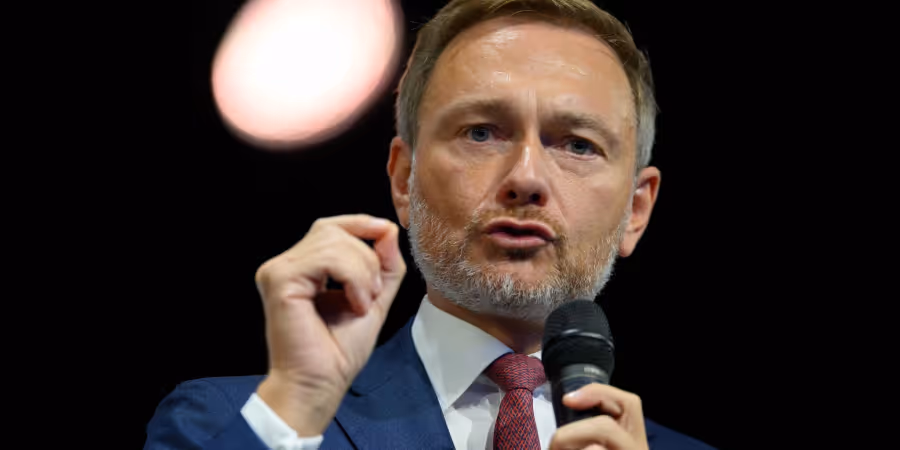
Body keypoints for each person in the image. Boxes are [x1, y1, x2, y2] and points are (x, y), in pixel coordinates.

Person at [147, 0, 717, 448]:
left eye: (577, 144)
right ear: (404, 179)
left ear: (636, 210)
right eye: (481, 132)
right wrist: (299, 401)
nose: (526, 177)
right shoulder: (243, 424)